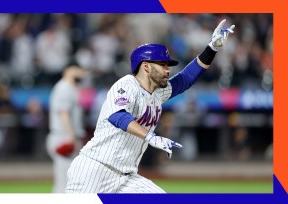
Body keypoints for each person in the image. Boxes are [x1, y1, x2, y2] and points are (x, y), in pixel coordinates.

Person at [65, 19, 235, 193]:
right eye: (162, 64)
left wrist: (212, 49)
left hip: (126, 176)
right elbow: (118, 116)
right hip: (95, 169)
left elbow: (185, 79)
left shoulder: (157, 92)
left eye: (167, 65)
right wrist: (151, 137)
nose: (167, 69)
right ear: (146, 66)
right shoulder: (127, 84)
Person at [46, 62, 86, 193]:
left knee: (72, 181)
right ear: (68, 70)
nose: (82, 73)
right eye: (78, 70)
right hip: (63, 136)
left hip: (65, 135)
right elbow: (63, 112)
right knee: (65, 182)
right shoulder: (64, 88)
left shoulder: (71, 88)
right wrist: (70, 136)